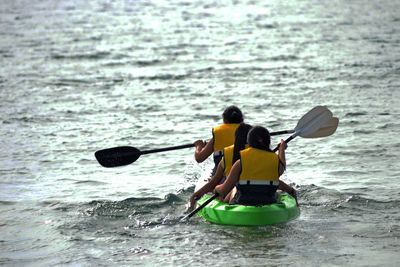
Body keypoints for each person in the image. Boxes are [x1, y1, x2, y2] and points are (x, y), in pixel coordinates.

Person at [214, 126, 297, 206]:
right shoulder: (276, 162)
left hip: (243, 203)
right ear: (268, 141)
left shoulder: (240, 162)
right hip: (269, 202)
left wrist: (216, 188)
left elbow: (224, 190)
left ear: (249, 142)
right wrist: (281, 150)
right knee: (277, 194)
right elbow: (282, 167)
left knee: (235, 189)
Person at [190, 123, 252, 209]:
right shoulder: (262, 155)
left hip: (231, 194)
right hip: (263, 196)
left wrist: (196, 195)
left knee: (218, 187)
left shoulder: (227, 154)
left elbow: (213, 182)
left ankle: (224, 200)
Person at [193, 105, 244, 175]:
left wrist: (198, 146)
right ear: (242, 120)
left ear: (225, 120)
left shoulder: (218, 134)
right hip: (244, 173)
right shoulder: (248, 133)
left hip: (222, 174)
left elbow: (199, 158)